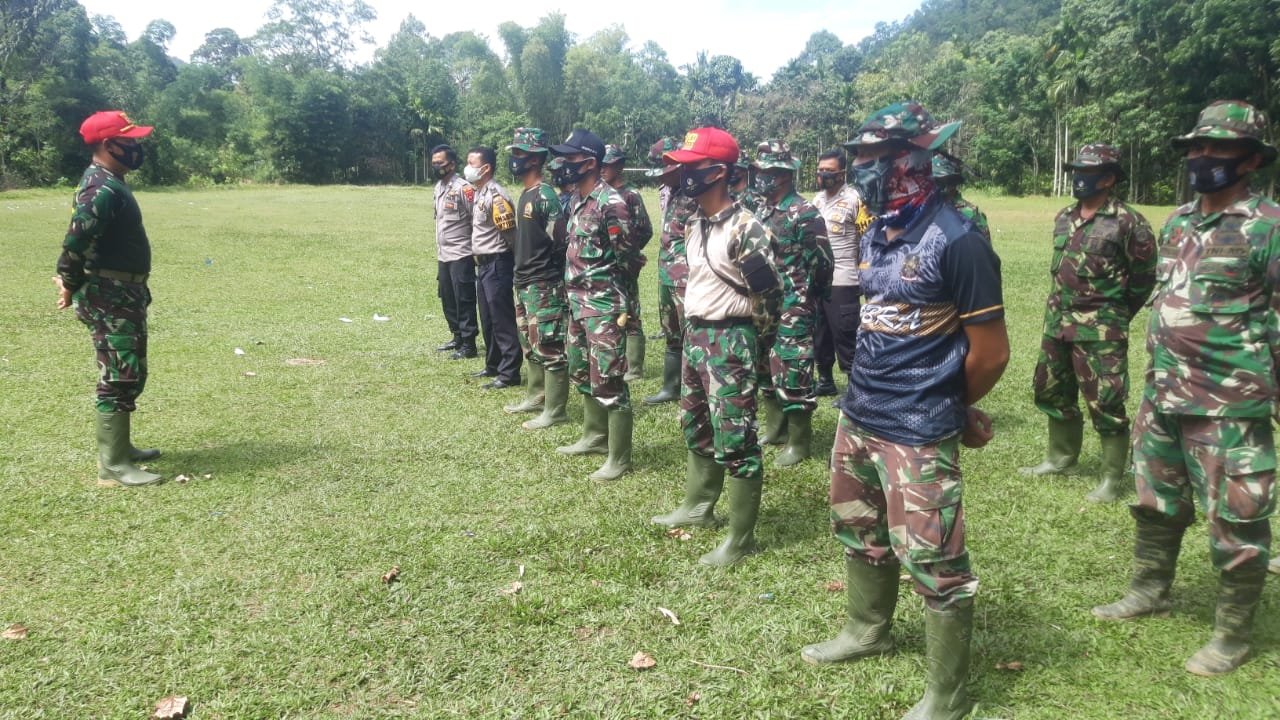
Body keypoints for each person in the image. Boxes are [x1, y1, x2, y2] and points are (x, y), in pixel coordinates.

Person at [802, 103, 1008, 720]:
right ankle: (867, 629)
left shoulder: (959, 241)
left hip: (916, 426)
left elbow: (991, 353)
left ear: (913, 161)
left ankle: (947, 694)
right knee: (859, 528)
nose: (861, 169)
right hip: (860, 410)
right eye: (860, 157)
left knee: (934, 556)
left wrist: (950, 403)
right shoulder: (877, 230)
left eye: (875, 158)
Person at [1092, 100, 1280, 677]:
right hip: (1164, 391)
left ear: (1251, 159)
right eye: (1196, 146)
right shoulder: (1178, 222)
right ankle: (1150, 589)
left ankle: (1232, 634)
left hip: (1229, 402)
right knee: (1156, 502)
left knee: (1237, 518)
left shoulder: (1269, 227)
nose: (1202, 156)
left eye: (1217, 147)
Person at [650, 127, 782, 566]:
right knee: (696, 422)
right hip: (696, 336)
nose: (683, 174)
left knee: (736, 437)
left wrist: (749, 347)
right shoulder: (695, 223)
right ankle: (698, 505)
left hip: (730, 339)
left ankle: (739, 539)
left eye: (692, 166)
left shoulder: (746, 228)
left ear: (718, 172)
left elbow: (770, 298)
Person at [1020, 144, 1156, 502]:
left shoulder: (1128, 222)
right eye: (1076, 171)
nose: (1079, 178)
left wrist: (1113, 314)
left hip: (1101, 329)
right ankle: (1060, 458)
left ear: (1109, 178)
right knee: (1051, 390)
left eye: (1088, 172)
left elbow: (1143, 278)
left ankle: (1110, 478)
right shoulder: (1065, 216)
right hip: (1057, 324)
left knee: (1106, 400)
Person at [54, 110, 164, 487]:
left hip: (123, 292)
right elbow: (75, 243)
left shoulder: (111, 182)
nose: (135, 147)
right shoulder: (101, 188)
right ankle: (113, 467)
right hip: (109, 295)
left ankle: (122, 448)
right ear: (107, 144)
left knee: (131, 370)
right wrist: (69, 282)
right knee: (118, 374)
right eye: (128, 141)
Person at [549, 129, 638, 481]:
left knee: (610, 380)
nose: (563, 164)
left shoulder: (611, 203)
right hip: (576, 303)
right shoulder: (576, 200)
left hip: (603, 305)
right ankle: (594, 436)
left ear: (588, 163)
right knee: (582, 372)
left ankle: (619, 457)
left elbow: (627, 258)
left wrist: (617, 302)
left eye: (570, 158)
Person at [751, 139, 833, 466]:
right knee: (764, 368)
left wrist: (807, 297)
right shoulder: (762, 210)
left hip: (794, 304)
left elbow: (822, 263)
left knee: (793, 369)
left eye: (768, 171)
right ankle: (776, 429)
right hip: (763, 306)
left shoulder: (804, 213)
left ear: (785, 174)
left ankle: (799, 443)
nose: (761, 177)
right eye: (760, 171)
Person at [504, 128, 571, 429]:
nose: (514, 159)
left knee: (549, 346)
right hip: (523, 281)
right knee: (529, 343)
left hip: (543, 284)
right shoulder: (526, 194)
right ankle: (536, 396)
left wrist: (549, 279)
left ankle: (555, 410)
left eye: (519, 153)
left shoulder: (545, 196)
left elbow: (561, 243)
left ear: (534, 159)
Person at [644, 137, 700, 405]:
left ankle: (694, 390)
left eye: (665, 170)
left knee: (692, 335)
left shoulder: (697, 193)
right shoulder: (674, 192)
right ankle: (671, 387)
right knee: (671, 332)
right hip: (667, 273)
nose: (661, 177)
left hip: (687, 278)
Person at [812, 148, 871, 398]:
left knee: (846, 335)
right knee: (820, 334)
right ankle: (825, 380)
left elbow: (868, 241)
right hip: (818, 280)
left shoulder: (856, 200)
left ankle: (855, 389)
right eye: (820, 170)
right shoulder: (816, 201)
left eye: (829, 170)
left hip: (844, 280)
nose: (823, 174)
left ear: (842, 173)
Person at [465, 146, 522, 389]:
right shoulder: (480, 192)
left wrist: (515, 264)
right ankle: (493, 365)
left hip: (497, 263)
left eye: (471, 163)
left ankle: (509, 373)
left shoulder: (496, 196)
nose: (467, 168)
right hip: (483, 265)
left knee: (502, 319)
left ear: (486, 168)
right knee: (488, 319)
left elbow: (510, 236)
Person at [601, 144, 654, 382]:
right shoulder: (599, 194)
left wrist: (630, 252)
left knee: (630, 313)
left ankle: (634, 368)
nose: (603, 169)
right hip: (603, 266)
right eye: (601, 165)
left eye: (608, 165)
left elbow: (645, 229)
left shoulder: (630, 195)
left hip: (625, 266)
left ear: (619, 166)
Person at [431, 144, 478, 359]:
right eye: (434, 163)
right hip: (444, 254)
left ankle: (469, 344)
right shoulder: (438, 188)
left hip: (461, 253)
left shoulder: (464, 188)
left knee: (463, 299)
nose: (436, 167)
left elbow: (476, 219)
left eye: (440, 163)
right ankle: (457, 336)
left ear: (451, 164)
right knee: (448, 298)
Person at [932, 152, 991, 243]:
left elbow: (982, 249)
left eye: (948, 182)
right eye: (937, 182)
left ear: (954, 184)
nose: (942, 189)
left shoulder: (971, 214)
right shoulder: (921, 212)